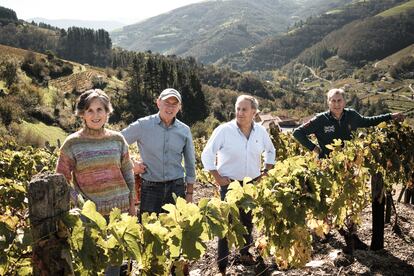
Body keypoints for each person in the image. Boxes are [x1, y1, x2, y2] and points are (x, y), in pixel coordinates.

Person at [293, 88, 405, 252]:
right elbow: (297, 133)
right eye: (333, 101)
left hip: (350, 167)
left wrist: (390, 116)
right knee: (331, 200)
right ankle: (326, 231)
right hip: (328, 168)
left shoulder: (352, 116)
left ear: (344, 102)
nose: (336, 104)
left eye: (339, 100)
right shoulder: (320, 120)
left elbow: (369, 121)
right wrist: (315, 149)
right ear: (328, 102)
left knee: (350, 200)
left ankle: (352, 235)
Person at [56, 89, 135, 276]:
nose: (95, 115)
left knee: (115, 266)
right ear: (82, 113)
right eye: (89, 110)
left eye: (100, 109)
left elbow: (128, 173)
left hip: (120, 213)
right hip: (90, 217)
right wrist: (78, 203)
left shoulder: (118, 140)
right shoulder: (72, 144)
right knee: (91, 266)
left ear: (108, 112)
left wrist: (132, 204)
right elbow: (61, 180)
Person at [201, 95, 276, 276]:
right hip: (229, 184)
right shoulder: (224, 130)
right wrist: (217, 176)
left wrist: (266, 172)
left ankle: (244, 254)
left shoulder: (260, 132)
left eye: (244, 109)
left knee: (247, 221)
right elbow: (207, 154)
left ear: (254, 112)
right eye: (238, 109)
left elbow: (271, 150)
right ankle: (222, 264)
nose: (240, 113)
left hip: (251, 184)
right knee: (225, 225)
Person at [121, 88, 196, 218]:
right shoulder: (143, 125)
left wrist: (189, 193)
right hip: (150, 187)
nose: (170, 107)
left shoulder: (184, 130)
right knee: (149, 230)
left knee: (176, 230)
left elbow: (190, 163)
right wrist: (132, 162)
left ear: (179, 107)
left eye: (174, 104)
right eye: (167, 103)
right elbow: (117, 142)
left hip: (176, 187)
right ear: (158, 103)